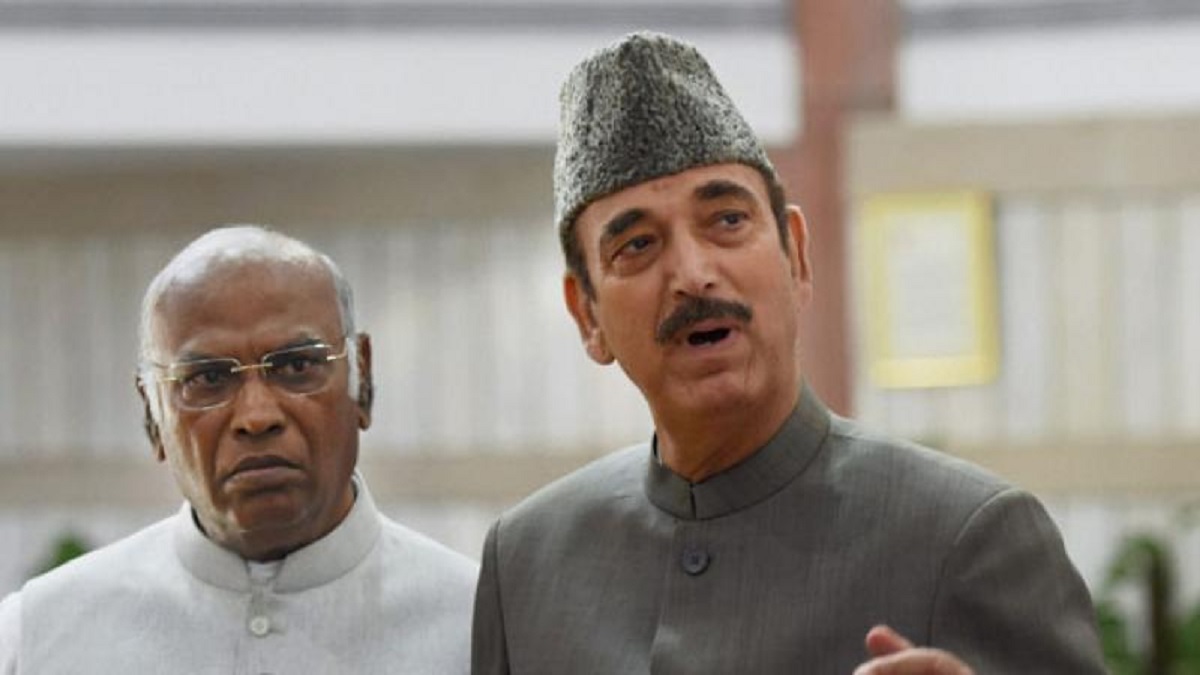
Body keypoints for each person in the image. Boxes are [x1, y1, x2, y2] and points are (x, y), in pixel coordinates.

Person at [471, 31, 1106, 674]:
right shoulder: (526, 564)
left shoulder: (965, 537)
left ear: (796, 256)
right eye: (637, 245)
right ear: (587, 314)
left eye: (727, 220)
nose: (693, 274)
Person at [0, 225, 476, 673]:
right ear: (152, 414)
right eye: (208, 378)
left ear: (362, 378)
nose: (257, 416)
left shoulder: (478, 625)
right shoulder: (41, 635)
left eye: (296, 367)